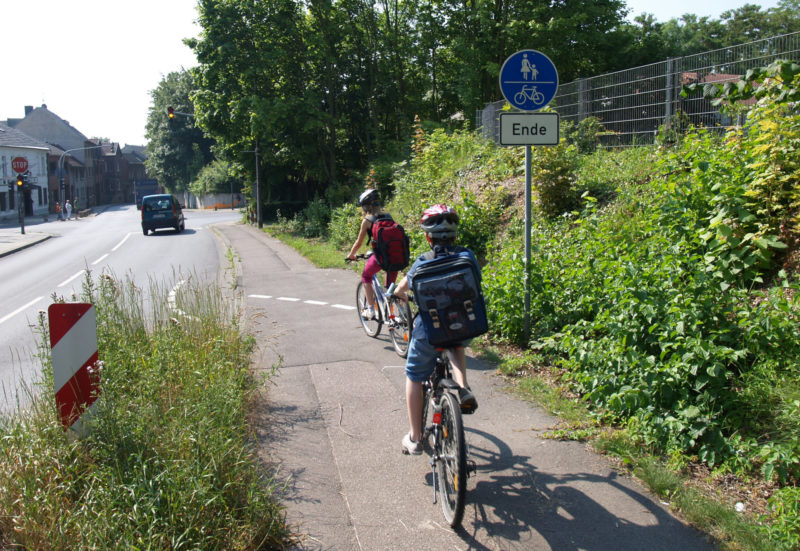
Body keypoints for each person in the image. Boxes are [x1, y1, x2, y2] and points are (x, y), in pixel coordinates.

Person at [391, 204, 479, 455]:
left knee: (414, 376)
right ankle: (462, 388)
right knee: (456, 342)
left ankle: (416, 438)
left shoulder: (421, 263)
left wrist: (403, 296)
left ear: (428, 237)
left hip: (429, 330)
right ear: (455, 235)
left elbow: (399, 291)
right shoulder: (467, 256)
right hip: (463, 324)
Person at [346, 189, 399, 319]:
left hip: (380, 257)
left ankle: (370, 309)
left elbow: (359, 243)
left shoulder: (367, 220)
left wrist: (351, 255)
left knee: (366, 276)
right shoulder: (388, 216)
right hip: (395, 256)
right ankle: (399, 314)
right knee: (390, 289)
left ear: (365, 206)